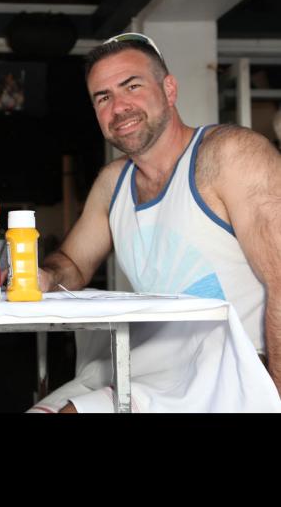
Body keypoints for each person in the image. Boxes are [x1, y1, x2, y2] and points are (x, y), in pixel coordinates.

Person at [31, 33, 281, 413]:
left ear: (169, 89)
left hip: (233, 373)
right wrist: (46, 276)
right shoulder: (113, 182)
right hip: (152, 366)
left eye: (132, 86)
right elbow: (74, 263)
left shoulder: (229, 155)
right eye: (103, 97)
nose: (119, 107)